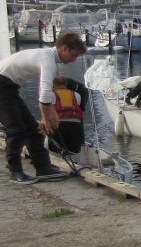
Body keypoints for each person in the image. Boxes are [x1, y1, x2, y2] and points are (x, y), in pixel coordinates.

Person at [0, 31, 86, 183]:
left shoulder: (49, 58)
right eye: (73, 55)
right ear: (64, 48)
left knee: (34, 130)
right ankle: (16, 172)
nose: (74, 60)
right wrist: (46, 119)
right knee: (16, 129)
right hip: (2, 85)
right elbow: (44, 93)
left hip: (9, 87)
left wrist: (52, 113)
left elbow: (48, 93)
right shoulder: (47, 60)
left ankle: (43, 168)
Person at [50, 76, 88, 154]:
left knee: (55, 149)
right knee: (73, 151)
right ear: (66, 84)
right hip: (75, 126)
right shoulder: (77, 95)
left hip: (59, 125)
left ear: (54, 86)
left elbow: (49, 113)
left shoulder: (51, 96)